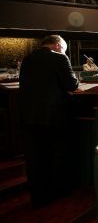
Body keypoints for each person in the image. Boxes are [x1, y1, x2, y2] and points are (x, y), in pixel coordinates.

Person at [19, 35, 79, 207]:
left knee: (35, 157)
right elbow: (71, 85)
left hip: (28, 116)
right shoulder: (60, 57)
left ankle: (38, 196)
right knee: (56, 154)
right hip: (53, 116)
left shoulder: (28, 59)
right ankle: (58, 192)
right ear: (58, 45)